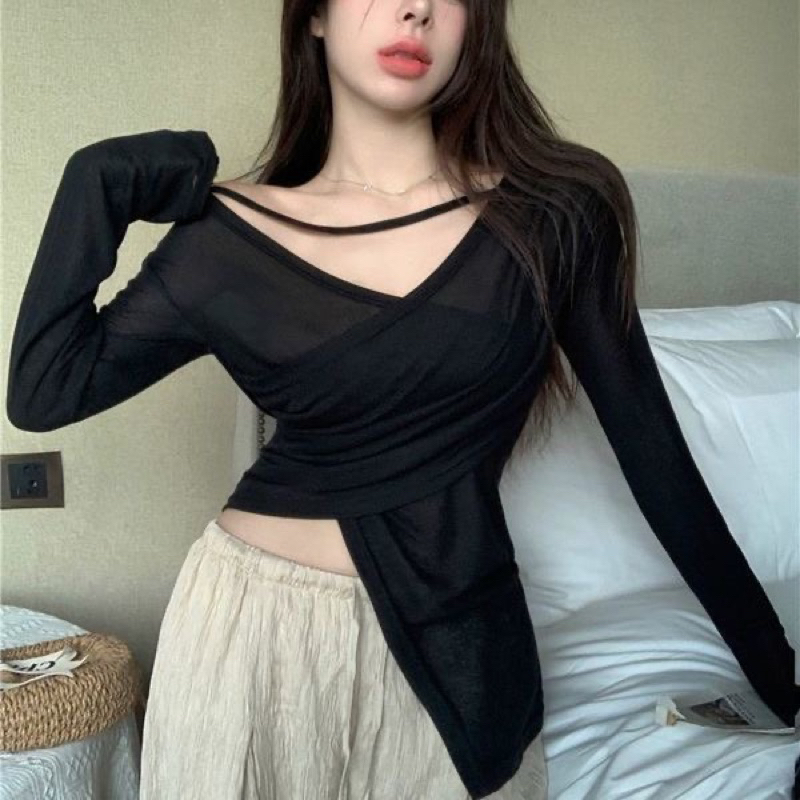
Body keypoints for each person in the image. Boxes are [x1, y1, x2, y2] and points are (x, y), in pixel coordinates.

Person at [6, 1, 798, 798]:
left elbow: (661, 469)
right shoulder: (224, 238)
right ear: (314, 17)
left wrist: (783, 683)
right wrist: (94, 185)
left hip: (457, 640)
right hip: (249, 634)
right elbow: (46, 391)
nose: (414, 8)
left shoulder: (556, 214)